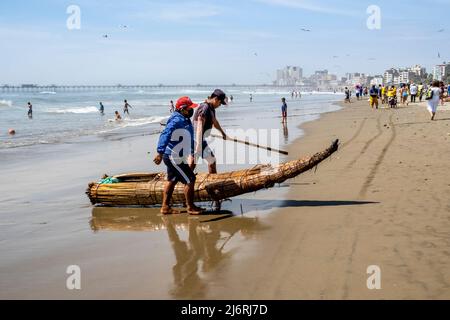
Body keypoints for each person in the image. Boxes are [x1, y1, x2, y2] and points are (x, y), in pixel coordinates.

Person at [153, 96, 204, 215]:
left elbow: (188, 137)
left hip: (177, 155)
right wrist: (159, 152)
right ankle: (190, 207)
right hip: (172, 156)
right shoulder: (176, 120)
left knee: (172, 180)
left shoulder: (184, 119)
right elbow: (165, 134)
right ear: (182, 109)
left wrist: (192, 151)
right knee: (190, 179)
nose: (192, 111)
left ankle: (165, 207)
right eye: (190, 108)